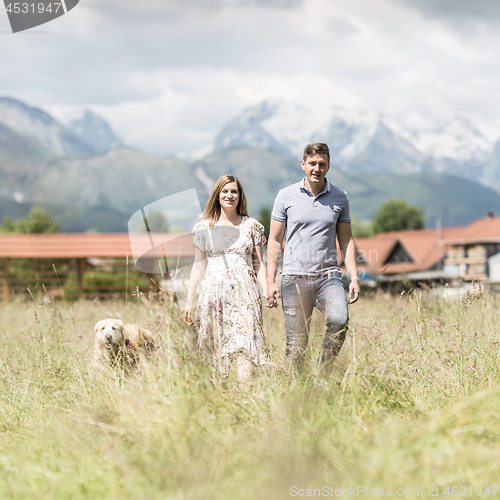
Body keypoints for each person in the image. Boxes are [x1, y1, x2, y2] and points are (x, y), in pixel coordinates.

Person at [266, 143, 360, 372]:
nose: (317, 168)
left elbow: (346, 240)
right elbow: (275, 240)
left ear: (328, 167)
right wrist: (270, 280)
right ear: (303, 165)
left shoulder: (340, 197)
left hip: (328, 276)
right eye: (312, 164)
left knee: (338, 320)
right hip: (293, 278)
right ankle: (296, 395)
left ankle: (322, 373)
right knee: (297, 343)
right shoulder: (285, 196)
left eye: (322, 164)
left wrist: (355, 277)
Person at [183, 175, 268, 380]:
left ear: (240, 196)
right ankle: (219, 399)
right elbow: (198, 266)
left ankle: (245, 399)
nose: (230, 195)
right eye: (225, 191)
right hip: (213, 295)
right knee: (214, 348)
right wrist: (189, 301)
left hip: (245, 296)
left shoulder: (252, 226)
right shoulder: (203, 229)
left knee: (246, 345)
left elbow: (258, 264)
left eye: (234, 191)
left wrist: (267, 290)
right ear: (217, 195)